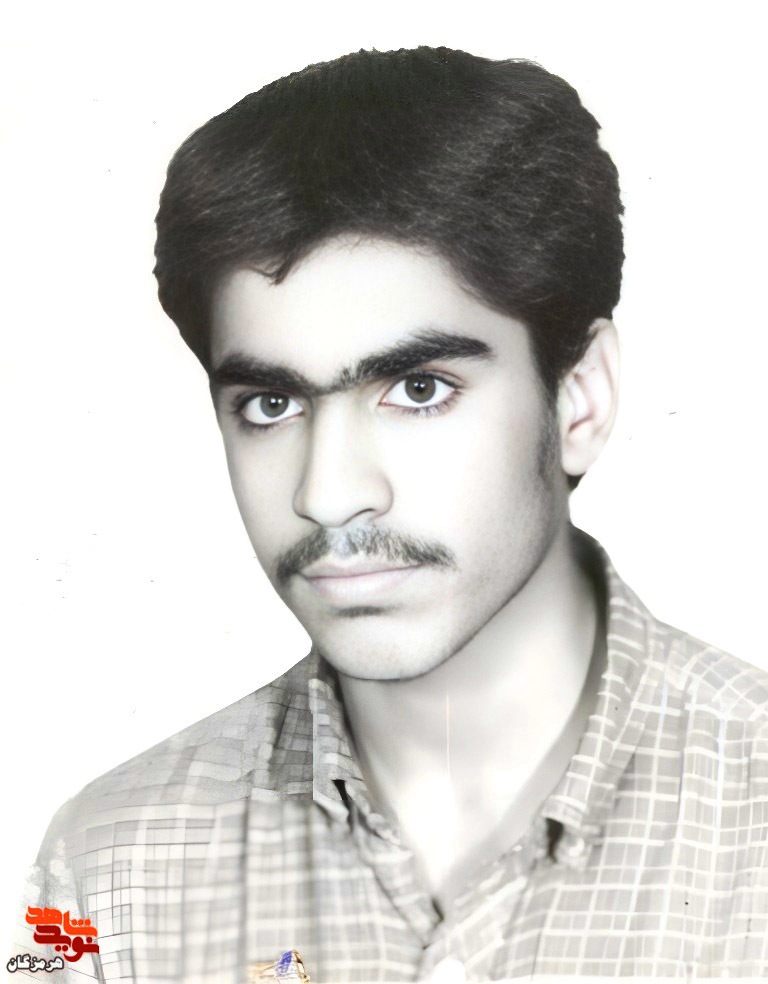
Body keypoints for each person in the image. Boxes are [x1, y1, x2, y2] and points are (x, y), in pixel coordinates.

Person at [12, 46, 768, 983]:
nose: (326, 494)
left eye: (417, 388)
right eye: (271, 404)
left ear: (580, 399)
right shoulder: (104, 870)